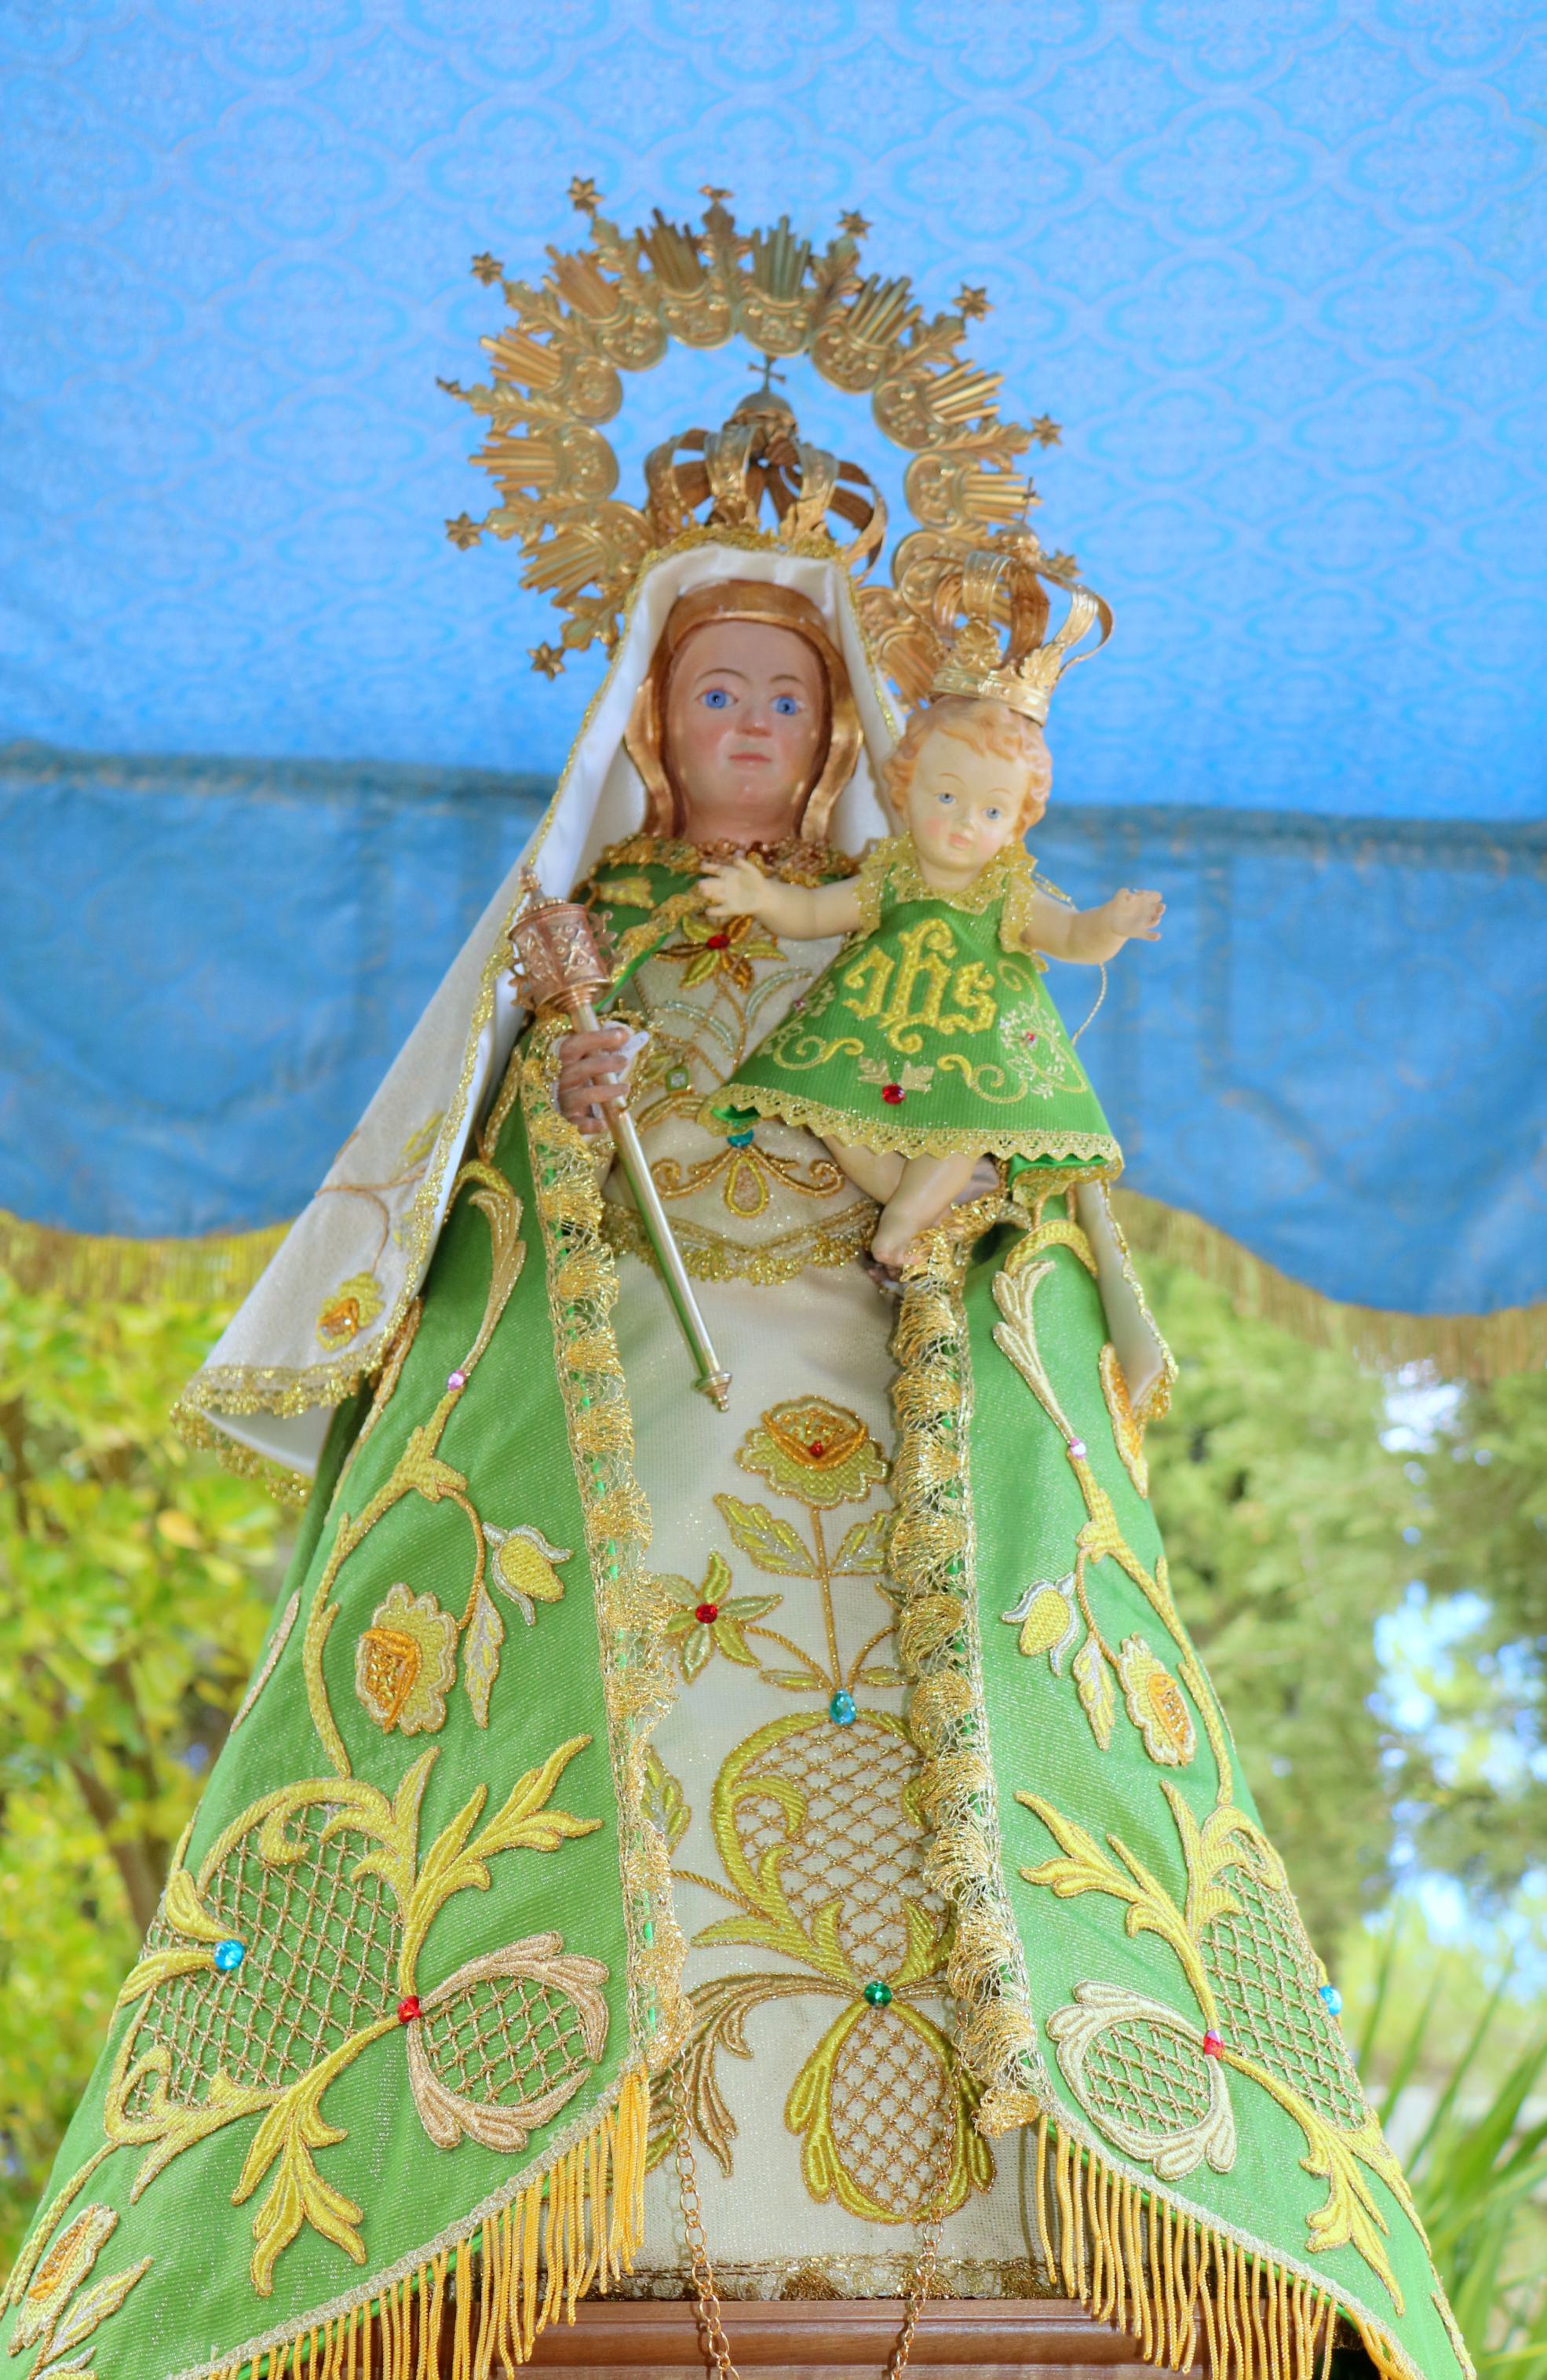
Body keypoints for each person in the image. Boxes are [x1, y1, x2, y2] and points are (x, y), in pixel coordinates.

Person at [0, 382, 1469, 2380]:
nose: (752, 727)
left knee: (925, 1736)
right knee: (620, 1728)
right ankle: (579, 2169)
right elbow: (477, 1211)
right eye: (716, 695)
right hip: (628, 1416)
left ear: (835, 731)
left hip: (880, 1417)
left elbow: (1002, 1146)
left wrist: (955, 1224)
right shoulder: (568, 940)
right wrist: (568, 1111)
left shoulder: (897, 930)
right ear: (648, 720)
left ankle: (998, 2196)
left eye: (785, 696)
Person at [698, 692, 1164, 1266]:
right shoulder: (889, 876)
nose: (965, 823)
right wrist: (764, 896)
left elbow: (1071, 938)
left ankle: (908, 1216)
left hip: (973, 1047)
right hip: (866, 1027)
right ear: (905, 791)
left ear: (1017, 823)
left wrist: (1110, 926)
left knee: (962, 1130)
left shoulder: (1008, 892)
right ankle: (913, 1203)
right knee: (835, 1114)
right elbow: (816, 914)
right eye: (946, 797)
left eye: (992, 812)